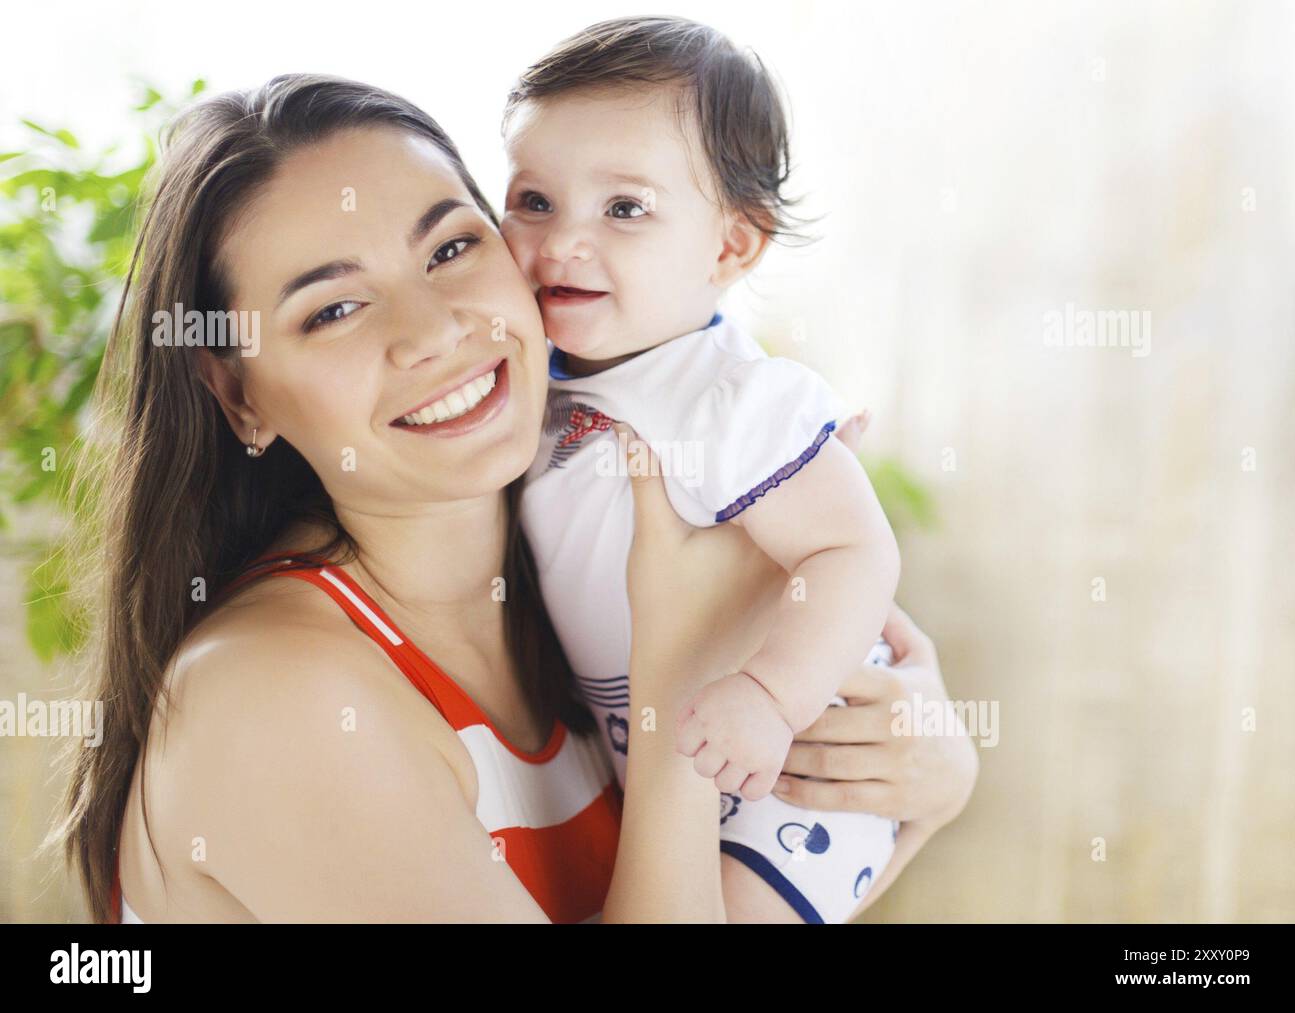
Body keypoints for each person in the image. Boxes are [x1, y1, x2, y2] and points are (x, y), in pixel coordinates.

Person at [47, 74, 976, 923]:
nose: (434, 331)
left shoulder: (586, 571)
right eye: (332, 309)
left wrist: (924, 796)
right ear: (239, 394)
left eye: (451, 247)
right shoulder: (276, 697)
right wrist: (680, 702)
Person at [505, 16, 901, 923]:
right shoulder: (539, 385)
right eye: (533, 200)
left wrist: (770, 695)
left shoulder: (733, 399)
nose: (564, 240)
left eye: (624, 208)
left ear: (730, 247)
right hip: (650, 754)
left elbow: (854, 552)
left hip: (798, 761)